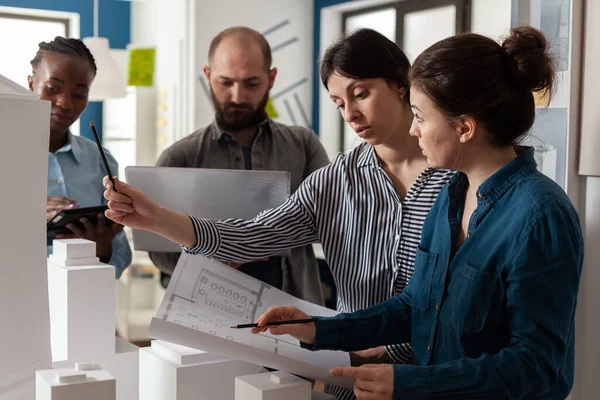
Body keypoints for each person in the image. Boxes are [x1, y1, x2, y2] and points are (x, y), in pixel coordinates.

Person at [102, 29, 453, 398]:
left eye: (361, 94)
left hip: (441, 375)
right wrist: (154, 217)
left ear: (401, 84)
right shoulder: (335, 180)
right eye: (338, 103)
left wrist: (391, 350)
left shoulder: (455, 176)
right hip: (350, 374)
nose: (350, 114)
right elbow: (250, 235)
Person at [251, 27, 584, 400]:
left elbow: (535, 366)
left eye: (420, 117)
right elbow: (417, 306)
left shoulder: (541, 216)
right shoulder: (449, 197)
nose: (413, 130)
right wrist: (315, 329)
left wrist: (409, 383)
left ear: (463, 127)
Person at [148, 26, 330, 304]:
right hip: (210, 316)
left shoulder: (304, 145)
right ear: (208, 76)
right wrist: (207, 257)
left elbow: (329, 221)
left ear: (271, 78)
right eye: (225, 82)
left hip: (297, 313)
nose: (237, 96)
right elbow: (159, 252)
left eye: (251, 83)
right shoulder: (179, 157)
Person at [29, 36, 131, 278]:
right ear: (31, 84)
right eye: (52, 89)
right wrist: (21, 217)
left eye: (79, 93)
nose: (65, 103)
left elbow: (121, 255)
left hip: (85, 303)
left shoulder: (100, 160)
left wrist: (102, 252)